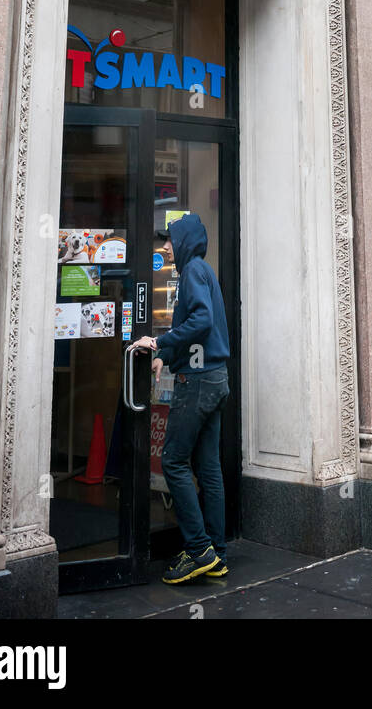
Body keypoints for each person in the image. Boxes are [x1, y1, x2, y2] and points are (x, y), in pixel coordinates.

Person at [132, 212, 231, 584]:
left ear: (184, 242)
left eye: (169, 240)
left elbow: (201, 322)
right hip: (216, 379)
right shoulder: (202, 271)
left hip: (200, 384)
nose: (165, 246)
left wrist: (157, 342)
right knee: (208, 469)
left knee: (172, 460)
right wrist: (166, 357)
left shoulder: (192, 273)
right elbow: (197, 333)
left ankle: (198, 549)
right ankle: (217, 555)